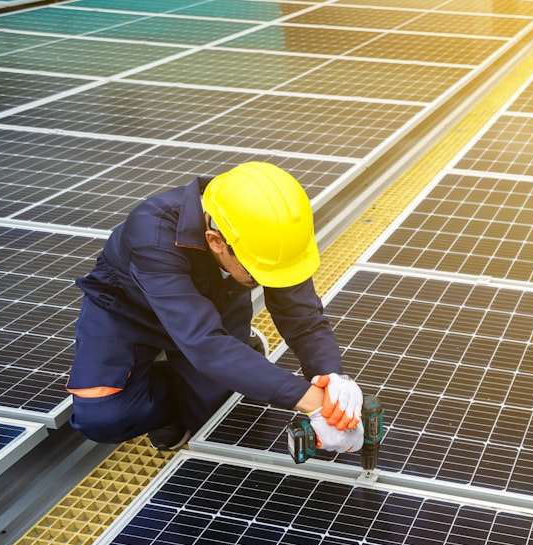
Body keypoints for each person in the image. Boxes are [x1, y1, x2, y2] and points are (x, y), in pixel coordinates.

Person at [66, 161, 362, 453]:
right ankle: (184, 381)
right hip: (129, 313)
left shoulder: (268, 230)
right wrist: (309, 400)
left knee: (215, 417)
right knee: (102, 416)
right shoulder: (151, 234)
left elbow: (304, 319)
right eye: (260, 275)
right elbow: (205, 342)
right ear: (216, 241)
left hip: (213, 306)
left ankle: (227, 362)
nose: (266, 282)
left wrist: (332, 383)